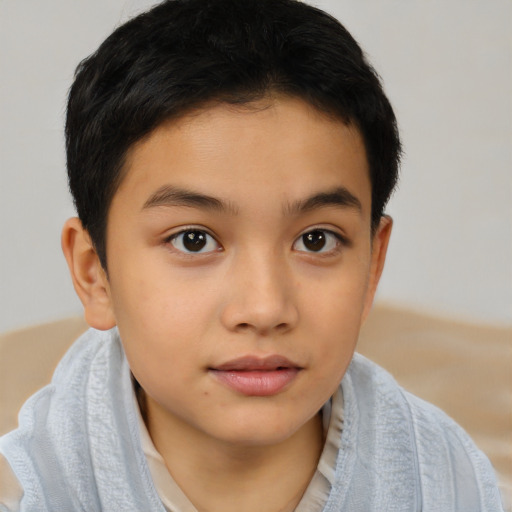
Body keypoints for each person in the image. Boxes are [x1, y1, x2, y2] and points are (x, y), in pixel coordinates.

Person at [0, 0, 504, 510]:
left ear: (372, 266)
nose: (264, 309)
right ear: (94, 275)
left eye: (316, 240)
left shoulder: (452, 487)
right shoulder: (36, 490)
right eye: (193, 240)